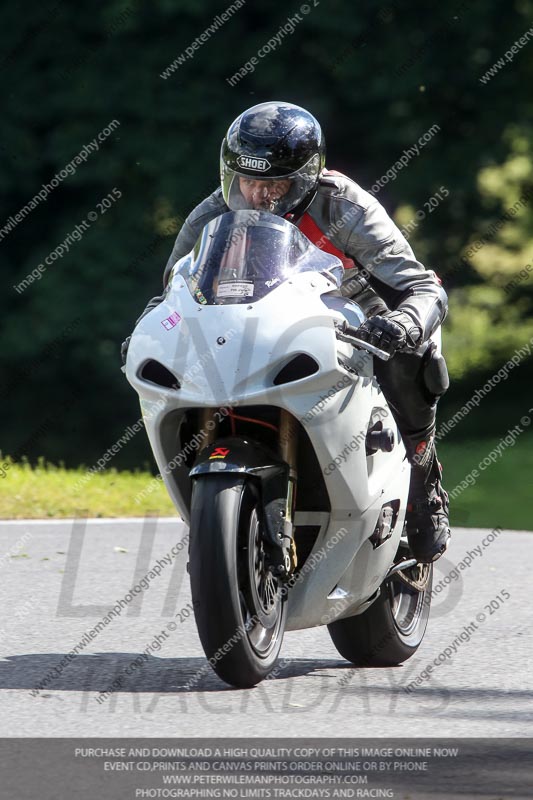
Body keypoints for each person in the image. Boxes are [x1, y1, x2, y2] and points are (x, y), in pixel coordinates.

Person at [123, 101, 450, 563]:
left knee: (410, 360)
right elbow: (172, 293)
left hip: (355, 315)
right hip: (257, 323)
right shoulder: (210, 216)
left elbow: (421, 285)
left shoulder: (345, 204)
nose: (259, 194)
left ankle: (423, 481)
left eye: (274, 182)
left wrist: (403, 323)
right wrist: (146, 331)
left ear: (305, 178)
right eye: (249, 180)